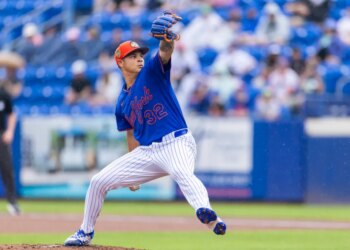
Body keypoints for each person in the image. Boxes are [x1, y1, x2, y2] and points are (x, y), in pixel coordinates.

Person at [64, 11, 226, 247]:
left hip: (176, 141)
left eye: (140, 53)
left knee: (182, 172)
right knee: (98, 181)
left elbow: (164, 52)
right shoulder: (121, 102)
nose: (139, 58)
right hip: (147, 152)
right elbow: (130, 133)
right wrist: (132, 171)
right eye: (132, 55)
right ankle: (85, 232)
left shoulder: (151, 73)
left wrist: (166, 39)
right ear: (120, 62)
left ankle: (207, 214)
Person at [0, 84, 20, 216]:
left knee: (7, 169)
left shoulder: (3, 94)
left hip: (1, 135)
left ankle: (12, 203)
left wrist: (10, 132)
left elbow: (12, 113)